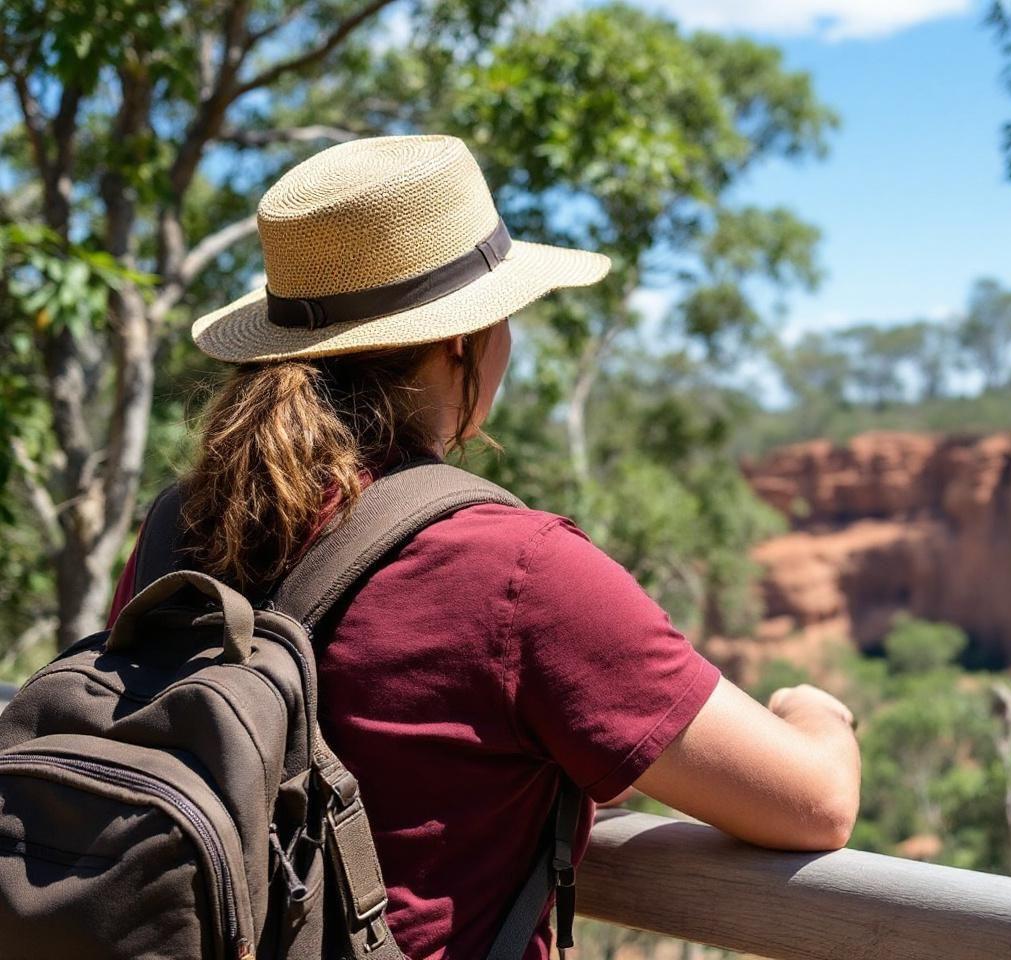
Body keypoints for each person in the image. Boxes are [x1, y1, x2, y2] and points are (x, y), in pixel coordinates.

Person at [105, 135, 860, 960]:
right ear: (463, 340)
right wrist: (814, 711)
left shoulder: (181, 520)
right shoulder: (518, 570)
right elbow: (814, 803)